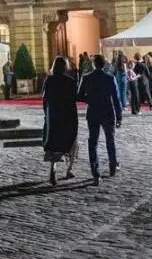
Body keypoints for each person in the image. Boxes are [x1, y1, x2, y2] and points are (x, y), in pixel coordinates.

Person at [77, 54, 122, 186]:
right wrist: (119, 116)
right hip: (108, 112)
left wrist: (90, 99)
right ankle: (112, 167)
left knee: (93, 142)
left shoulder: (86, 77)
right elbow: (116, 99)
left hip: (93, 112)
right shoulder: (110, 78)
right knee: (110, 140)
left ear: (93, 64)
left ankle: (95, 173)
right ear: (104, 64)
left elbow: (79, 96)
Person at [42, 57, 79, 185]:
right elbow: (74, 99)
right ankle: (69, 170)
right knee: (72, 143)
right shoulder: (70, 81)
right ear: (65, 67)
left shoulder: (49, 80)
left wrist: (47, 115)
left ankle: (53, 170)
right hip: (68, 116)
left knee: (54, 144)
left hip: (54, 116)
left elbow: (45, 99)